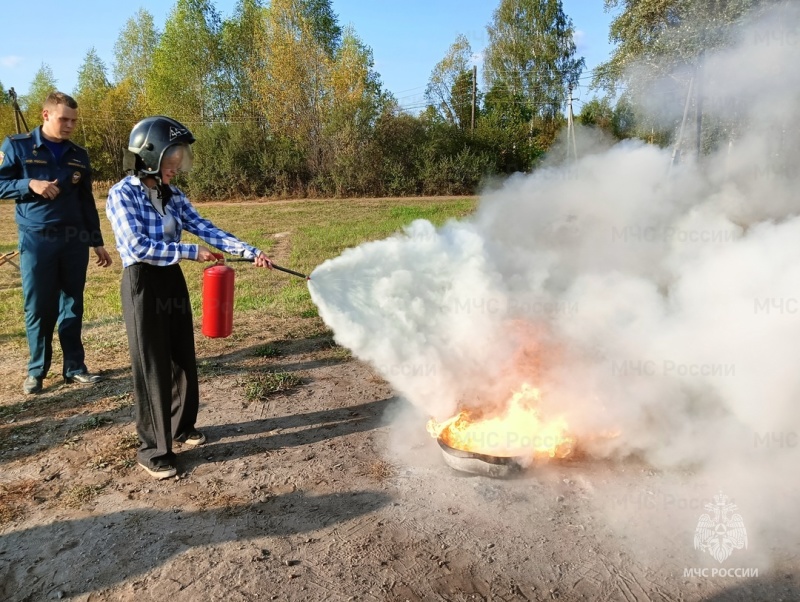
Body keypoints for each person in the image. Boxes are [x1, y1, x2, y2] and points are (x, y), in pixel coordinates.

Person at [106, 115, 273, 480]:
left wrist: (249, 251)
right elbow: (136, 246)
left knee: (181, 354)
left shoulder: (173, 195)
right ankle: (153, 450)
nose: (177, 166)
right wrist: (189, 252)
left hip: (171, 278)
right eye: (172, 157)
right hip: (142, 282)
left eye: (179, 157)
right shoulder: (122, 193)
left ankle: (182, 428)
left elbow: (204, 228)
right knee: (151, 364)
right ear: (149, 154)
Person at [0, 91, 113, 395]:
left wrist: (96, 241)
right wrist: (29, 184)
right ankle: (36, 370)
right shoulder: (18, 146)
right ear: (46, 115)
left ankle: (74, 367)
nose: (70, 126)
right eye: (64, 119)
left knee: (72, 304)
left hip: (74, 240)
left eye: (74, 121)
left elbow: (86, 200)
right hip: (37, 240)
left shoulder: (78, 154)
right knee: (39, 306)